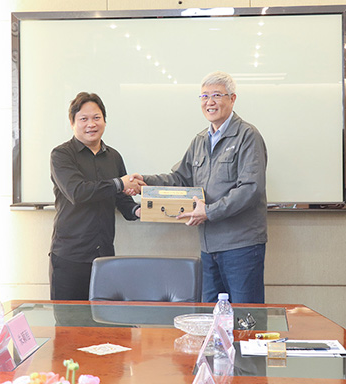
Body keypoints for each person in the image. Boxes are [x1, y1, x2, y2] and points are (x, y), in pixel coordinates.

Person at [132, 71, 268, 303]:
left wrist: (209, 212)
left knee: (245, 315)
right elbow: (180, 179)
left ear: (232, 99)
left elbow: (251, 189)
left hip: (241, 246)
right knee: (211, 315)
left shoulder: (247, 136)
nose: (209, 102)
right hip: (208, 247)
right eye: (204, 96)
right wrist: (146, 182)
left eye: (217, 95)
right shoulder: (200, 140)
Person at [49, 92, 144, 300]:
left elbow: (122, 198)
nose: (91, 124)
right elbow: (77, 192)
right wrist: (120, 183)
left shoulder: (114, 156)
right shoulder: (61, 155)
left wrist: (138, 210)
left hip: (104, 256)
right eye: (83, 119)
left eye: (96, 118)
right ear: (72, 123)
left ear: (104, 121)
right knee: (68, 319)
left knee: (104, 317)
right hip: (70, 257)